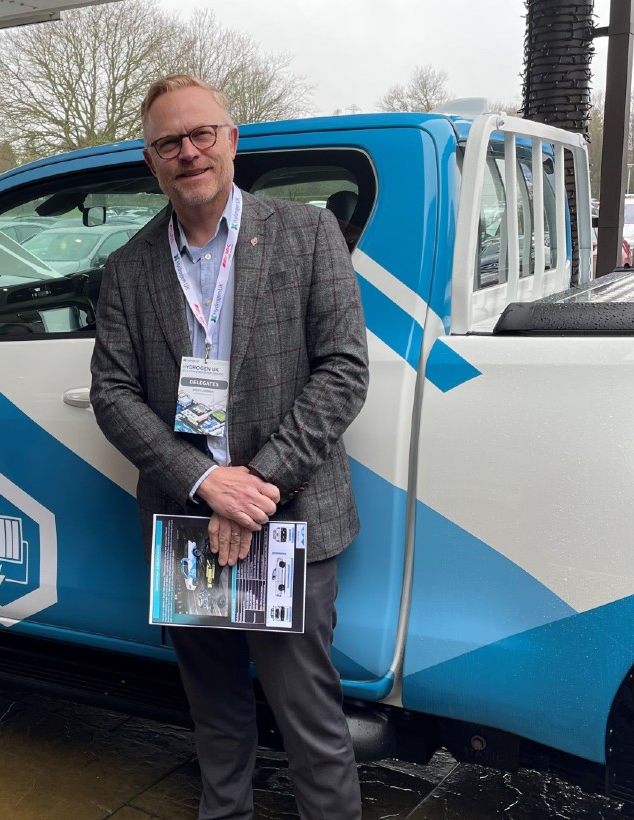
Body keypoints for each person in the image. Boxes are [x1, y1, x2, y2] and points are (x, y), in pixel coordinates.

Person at [90, 75, 369, 819]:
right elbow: (112, 394)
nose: (189, 152)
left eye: (202, 134)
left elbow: (344, 372)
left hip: (290, 517)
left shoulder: (308, 235)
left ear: (232, 139)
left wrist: (255, 487)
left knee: (311, 726)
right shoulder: (129, 266)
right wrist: (206, 485)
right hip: (190, 528)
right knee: (215, 721)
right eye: (169, 143)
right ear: (152, 160)